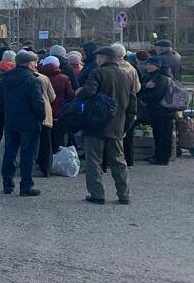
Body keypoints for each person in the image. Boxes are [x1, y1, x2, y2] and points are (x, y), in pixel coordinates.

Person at [75, 46, 137, 204]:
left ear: (103, 58)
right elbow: (132, 104)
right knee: (118, 161)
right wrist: (126, 126)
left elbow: (89, 91)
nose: (97, 60)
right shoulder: (127, 75)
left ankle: (97, 194)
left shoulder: (97, 72)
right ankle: (124, 195)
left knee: (94, 160)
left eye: (98, 57)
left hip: (96, 123)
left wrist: (79, 91)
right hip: (117, 124)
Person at [0, 50, 45, 196]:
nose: (36, 65)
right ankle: (26, 186)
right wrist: (40, 118)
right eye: (35, 63)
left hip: (11, 120)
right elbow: (38, 103)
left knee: (9, 153)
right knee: (28, 155)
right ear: (29, 64)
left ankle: (7, 184)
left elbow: (0, 100)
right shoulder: (33, 80)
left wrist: (7, 112)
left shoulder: (5, 78)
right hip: (29, 122)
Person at [139, 57, 176, 165]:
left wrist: (144, 99)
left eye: (151, 64)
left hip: (163, 111)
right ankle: (158, 155)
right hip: (160, 111)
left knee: (163, 135)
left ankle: (163, 158)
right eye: (147, 64)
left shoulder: (161, 78)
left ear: (157, 66)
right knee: (159, 134)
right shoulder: (154, 76)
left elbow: (158, 94)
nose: (148, 66)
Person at [39, 56, 75, 155]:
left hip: (44, 113)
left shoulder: (40, 78)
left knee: (44, 139)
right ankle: (58, 160)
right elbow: (71, 95)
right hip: (59, 113)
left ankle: (43, 160)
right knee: (58, 139)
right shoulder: (64, 78)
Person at [33, 59, 57, 177]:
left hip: (29, 114)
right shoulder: (43, 78)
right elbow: (52, 97)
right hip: (45, 112)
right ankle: (46, 168)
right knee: (46, 142)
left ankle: (29, 165)